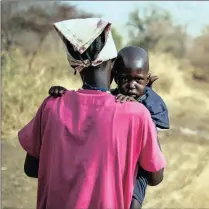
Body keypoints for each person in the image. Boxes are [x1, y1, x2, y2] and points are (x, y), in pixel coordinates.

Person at [18, 18, 166, 209]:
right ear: (114, 64)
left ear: (76, 67)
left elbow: (31, 168)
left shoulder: (51, 105)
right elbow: (155, 177)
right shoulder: (136, 114)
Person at [48, 46, 170, 209]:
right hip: (114, 161)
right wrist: (64, 94)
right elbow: (90, 102)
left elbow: (157, 124)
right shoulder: (112, 97)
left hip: (140, 163)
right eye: (126, 79)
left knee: (133, 201)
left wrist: (137, 108)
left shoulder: (151, 101)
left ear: (147, 80)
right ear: (115, 78)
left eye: (138, 80)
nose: (131, 85)